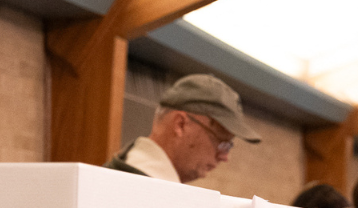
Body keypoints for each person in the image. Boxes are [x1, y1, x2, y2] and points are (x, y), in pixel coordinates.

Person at [105, 74, 262, 183]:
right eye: (221, 142)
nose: (224, 156)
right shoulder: (144, 195)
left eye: (228, 146)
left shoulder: (121, 174)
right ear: (181, 124)